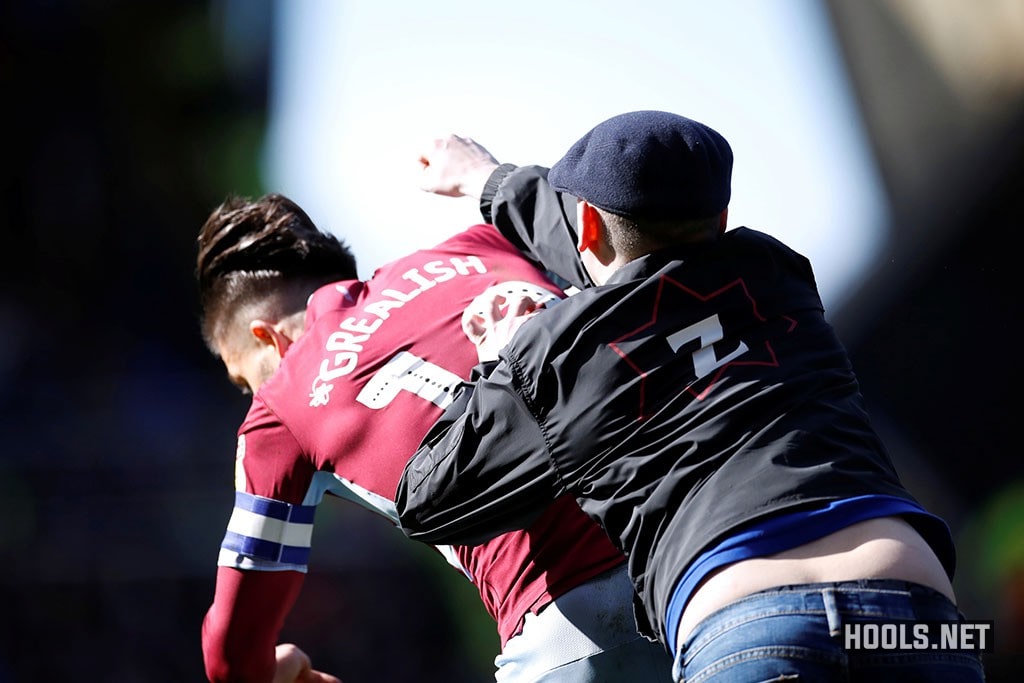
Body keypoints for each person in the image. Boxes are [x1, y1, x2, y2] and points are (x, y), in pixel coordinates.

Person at [395, 111, 986, 681]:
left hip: (748, 624)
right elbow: (620, 247)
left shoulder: (556, 354)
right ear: (723, 215)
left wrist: (498, 358)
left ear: (587, 225)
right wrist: (490, 182)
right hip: (917, 606)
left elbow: (428, 502)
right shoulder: (777, 276)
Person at [195, 193, 674, 682]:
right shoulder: (481, 246)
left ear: (268, 339)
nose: (252, 395)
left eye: (243, 381)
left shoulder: (279, 405)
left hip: (577, 629)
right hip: (702, 550)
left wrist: (272, 672)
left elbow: (231, 660)